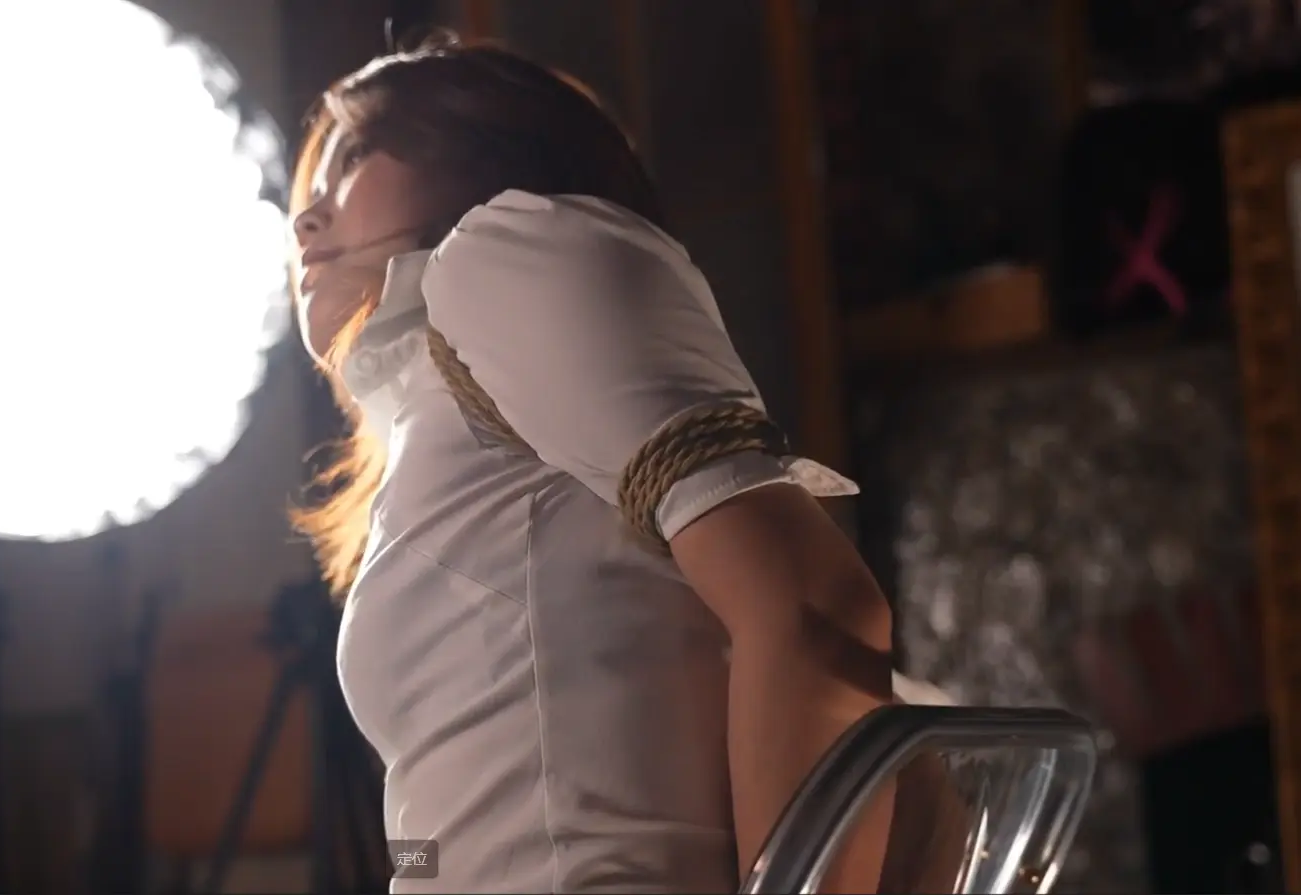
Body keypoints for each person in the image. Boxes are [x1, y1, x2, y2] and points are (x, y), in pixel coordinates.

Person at [287, 33, 911, 893]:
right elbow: (444, 831)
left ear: (487, 141)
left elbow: (812, 602)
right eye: (310, 187)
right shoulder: (430, 421)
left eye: (354, 154)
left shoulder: (508, 258)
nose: (305, 217)